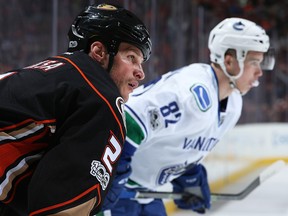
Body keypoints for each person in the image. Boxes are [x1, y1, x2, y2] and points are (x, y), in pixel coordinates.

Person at [101, 17, 275, 215]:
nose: (260, 72)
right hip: (119, 195)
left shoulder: (234, 104)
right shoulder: (190, 92)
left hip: (145, 195)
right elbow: (127, 119)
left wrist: (189, 174)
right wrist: (110, 179)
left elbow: (180, 140)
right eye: (254, 63)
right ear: (229, 60)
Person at [0, 3, 151, 216]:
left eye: (141, 62)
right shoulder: (101, 97)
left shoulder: (58, 75)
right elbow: (59, 211)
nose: (141, 73)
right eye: (131, 57)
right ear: (98, 51)